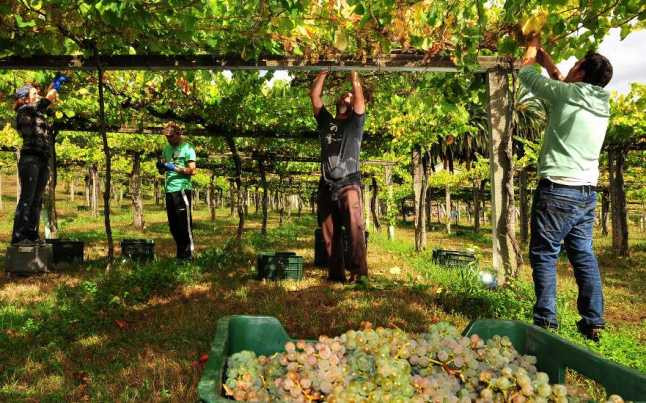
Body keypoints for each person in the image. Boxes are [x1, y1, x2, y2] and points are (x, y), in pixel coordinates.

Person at [520, 34, 613, 341]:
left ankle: (546, 321)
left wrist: (531, 46)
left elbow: (525, 74)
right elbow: (563, 82)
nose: (571, 68)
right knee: (583, 254)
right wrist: (547, 60)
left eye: (576, 65)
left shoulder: (567, 94)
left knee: (545, 254)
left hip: (558, 189)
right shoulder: (600, 102)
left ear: (582, 73)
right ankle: (593, 321)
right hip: (586, 191)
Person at [310, 71, 368, 283]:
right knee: (328, 230)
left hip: (349, 183)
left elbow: (360, 101)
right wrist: (323, 72)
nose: (347, 97)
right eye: (345, 95)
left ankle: (359, 273)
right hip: (326, 184)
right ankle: (336, 275)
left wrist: (354, 78)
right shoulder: (326, 121)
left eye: (351, 97)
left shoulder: (355, 123)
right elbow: (315, 97)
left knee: (354, 227)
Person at [11, 73, 68, 245]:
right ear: (25, 99)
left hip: (41, 159)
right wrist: (56, 85)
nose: (38, 96)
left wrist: (55, 83)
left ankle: (31, 234)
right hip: (30, 159)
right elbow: (46, 99)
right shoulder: (25, 110)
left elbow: (45, 99)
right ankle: (19, 236)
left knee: (36, 199)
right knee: (27, 198)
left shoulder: (35, 111)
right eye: (34, 94)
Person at [156, 122, 197, 261]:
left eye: (171, 136)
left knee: (184, 224)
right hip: (169, 189)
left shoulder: (187, 147)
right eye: (167, 137)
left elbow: (192, 170)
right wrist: (161, 167)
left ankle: (189, 255)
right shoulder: (166, 149)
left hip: (182, 189)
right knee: (173, 225)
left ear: (178, 134)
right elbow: (164, 169)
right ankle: (180, 254)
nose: (169, 139)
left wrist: (175, 168)